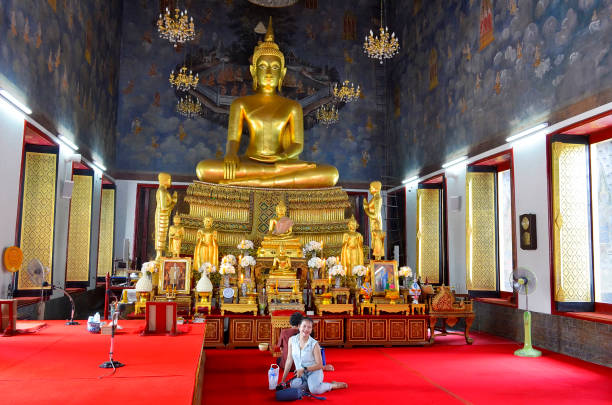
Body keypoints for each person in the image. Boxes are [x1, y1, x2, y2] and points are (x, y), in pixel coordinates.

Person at [195, 18, 338, 188]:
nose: (269, 72)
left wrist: (282, 158)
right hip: (249, 163)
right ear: (253, 71)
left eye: (275, 68)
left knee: (331, 174)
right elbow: (233, 139)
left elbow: (297, 144)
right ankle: (270, 180)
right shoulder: (241, 103)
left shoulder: (293, 106)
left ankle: (258, 180)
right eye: (263, 67)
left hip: (282, 164)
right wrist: (231, 155)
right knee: (204, 169)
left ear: (283, 73)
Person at [280, 317, 347, 395]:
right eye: (304, 326)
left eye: (309, 327)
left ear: (311, 330)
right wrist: (283, 381)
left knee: (314, 390)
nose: (306, 329)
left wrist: (304, 369)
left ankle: (332, 385)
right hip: (301, 374)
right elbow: (289, 360)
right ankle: (313, 384)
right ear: (299, 326)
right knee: (293, 386)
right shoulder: (292, 340)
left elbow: (320, 365)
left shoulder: (314, 344)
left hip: (314, 372)